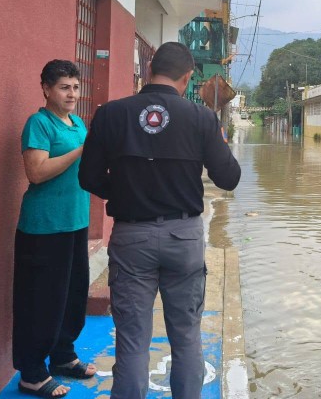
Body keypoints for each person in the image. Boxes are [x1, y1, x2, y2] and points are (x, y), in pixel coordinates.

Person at [79, 41, 241, 399]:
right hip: (183, 238)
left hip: (131, 237)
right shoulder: (201, 118)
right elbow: (229, 178)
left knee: (132, 340)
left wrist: (125, 191)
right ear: (187, 77)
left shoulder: (111, 114)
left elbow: (88, 177)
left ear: (150, 69)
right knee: (186, 337)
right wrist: (216, 137)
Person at [13, 60, 96, 398]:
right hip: (44, 227)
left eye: (75, 87)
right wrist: (80, 151)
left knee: (72, 295)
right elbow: (36, 172)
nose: (71, 94)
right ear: (46, 89)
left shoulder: (77, 123)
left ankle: (62, 355)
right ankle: (32, 372)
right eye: (64, 87)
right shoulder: (39, 123)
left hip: (75, 222)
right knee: (40, 300)